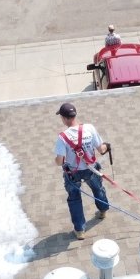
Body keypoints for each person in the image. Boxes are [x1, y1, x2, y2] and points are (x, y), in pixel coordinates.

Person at [54, 102, 111, 240]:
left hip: (73, 173)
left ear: (64, 118)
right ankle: (103, 211)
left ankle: (80, 230)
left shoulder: (62, 137)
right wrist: (108, 147)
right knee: (98, 190)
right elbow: (101, 149)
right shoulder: (89, 128)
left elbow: (59, 161)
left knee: (74, 199)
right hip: (91, 169)